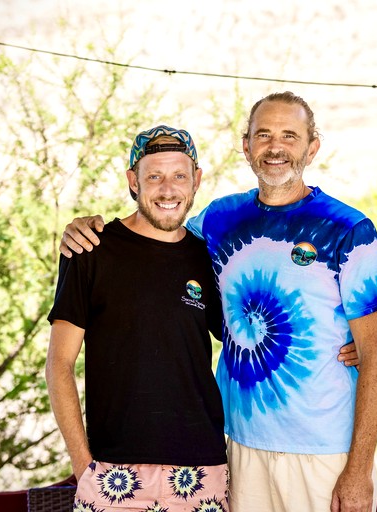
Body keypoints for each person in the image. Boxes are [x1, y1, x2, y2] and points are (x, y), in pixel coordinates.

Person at [60, 92, 377, 512]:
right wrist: (85, 230)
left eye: (290, 136)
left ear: (312, 148)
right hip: (239, 446)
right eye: (264, 135)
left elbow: (376, 352)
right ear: (247, 146)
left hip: (324, 450)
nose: (275, 147)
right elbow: (158, 233)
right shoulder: (219, 221)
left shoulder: (349, 229)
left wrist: (360, 469)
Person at [46, 125, 230, 512]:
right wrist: (83, 466)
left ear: (196, 180)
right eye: (155, 177)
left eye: (179, 176)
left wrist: (342, 341)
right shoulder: (90, 250)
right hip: (112, 474)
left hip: (202, 470)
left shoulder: (209, 257)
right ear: (134, 181)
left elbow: (250, 335)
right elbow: (59, 364)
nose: (168, 190)